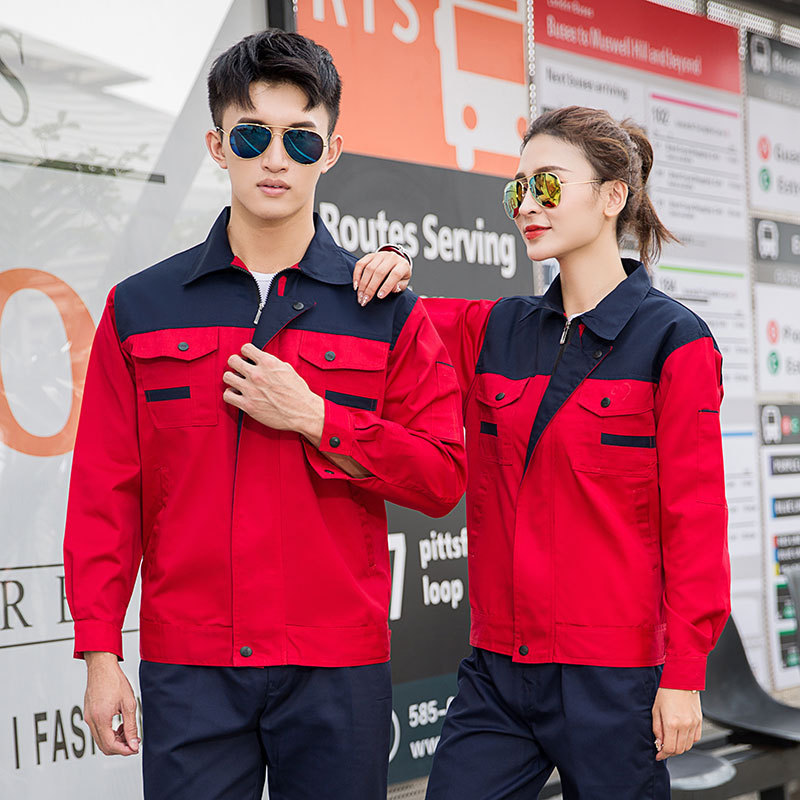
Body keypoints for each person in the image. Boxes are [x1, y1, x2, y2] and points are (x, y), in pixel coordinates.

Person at [63, 29, 466, 800]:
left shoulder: (383, 309)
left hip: (336, 669)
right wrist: (100, 653)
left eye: (299, 139)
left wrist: (318, 417)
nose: (275, 159)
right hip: (192, 668)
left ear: (331, 151)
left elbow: (441, 476)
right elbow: (105, 493)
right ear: (218, 146)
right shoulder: (141, 307)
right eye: (252, 136)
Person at [355, 105, 730, 799]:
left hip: (615, 678)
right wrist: (393, 261)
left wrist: (684, 675)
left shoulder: (674, 342)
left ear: (612, 197)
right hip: (498, 671)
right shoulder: (494, 330)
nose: (527, 205)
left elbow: (695, 521)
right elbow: (388, 322)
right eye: (518, 189)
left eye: (548, 185)